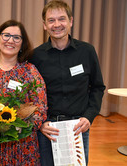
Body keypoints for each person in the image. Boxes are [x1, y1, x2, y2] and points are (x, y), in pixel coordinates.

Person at [29, 1, 106, 165]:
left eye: (62, 19)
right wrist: (40, 123)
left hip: (78, 127)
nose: (57, 24)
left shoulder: (87, 51)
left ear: (71, 21)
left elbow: (98, 87)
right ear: (44, 25)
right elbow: (30, 94)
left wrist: (89, 117)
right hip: (48, 129)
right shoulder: (35, 56)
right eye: (51, 20)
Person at [0, 20, 48, 165]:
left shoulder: (30, 72)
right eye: (6, 35)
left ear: (21, 44)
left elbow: (41, 107)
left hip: (20, 145)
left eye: (16, 37)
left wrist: (16, 128)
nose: (10, 40)